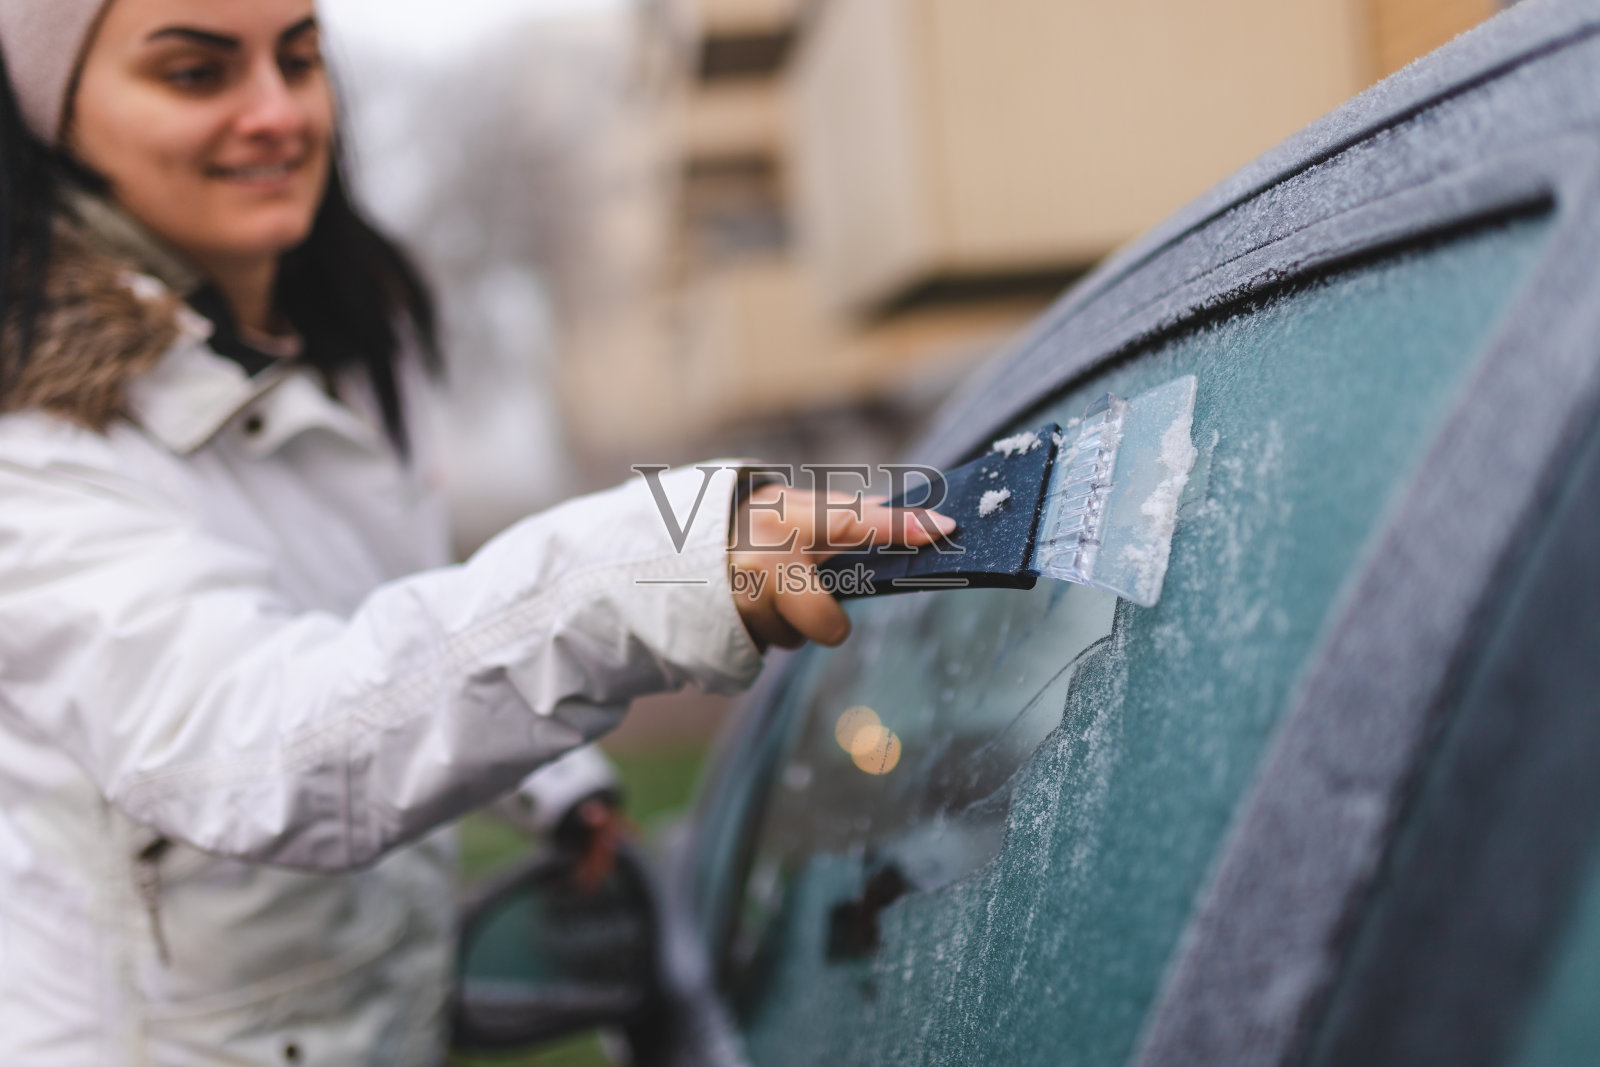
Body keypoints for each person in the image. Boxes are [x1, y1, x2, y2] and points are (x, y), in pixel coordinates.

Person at [0, 0, 954, 1062]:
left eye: (300, 58)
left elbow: (374, 607)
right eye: (196, 73)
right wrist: (643, 577)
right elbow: (246, 745)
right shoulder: (30, 448)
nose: (277, 113)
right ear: (52, 113)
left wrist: (547, 782)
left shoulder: (335, 347)